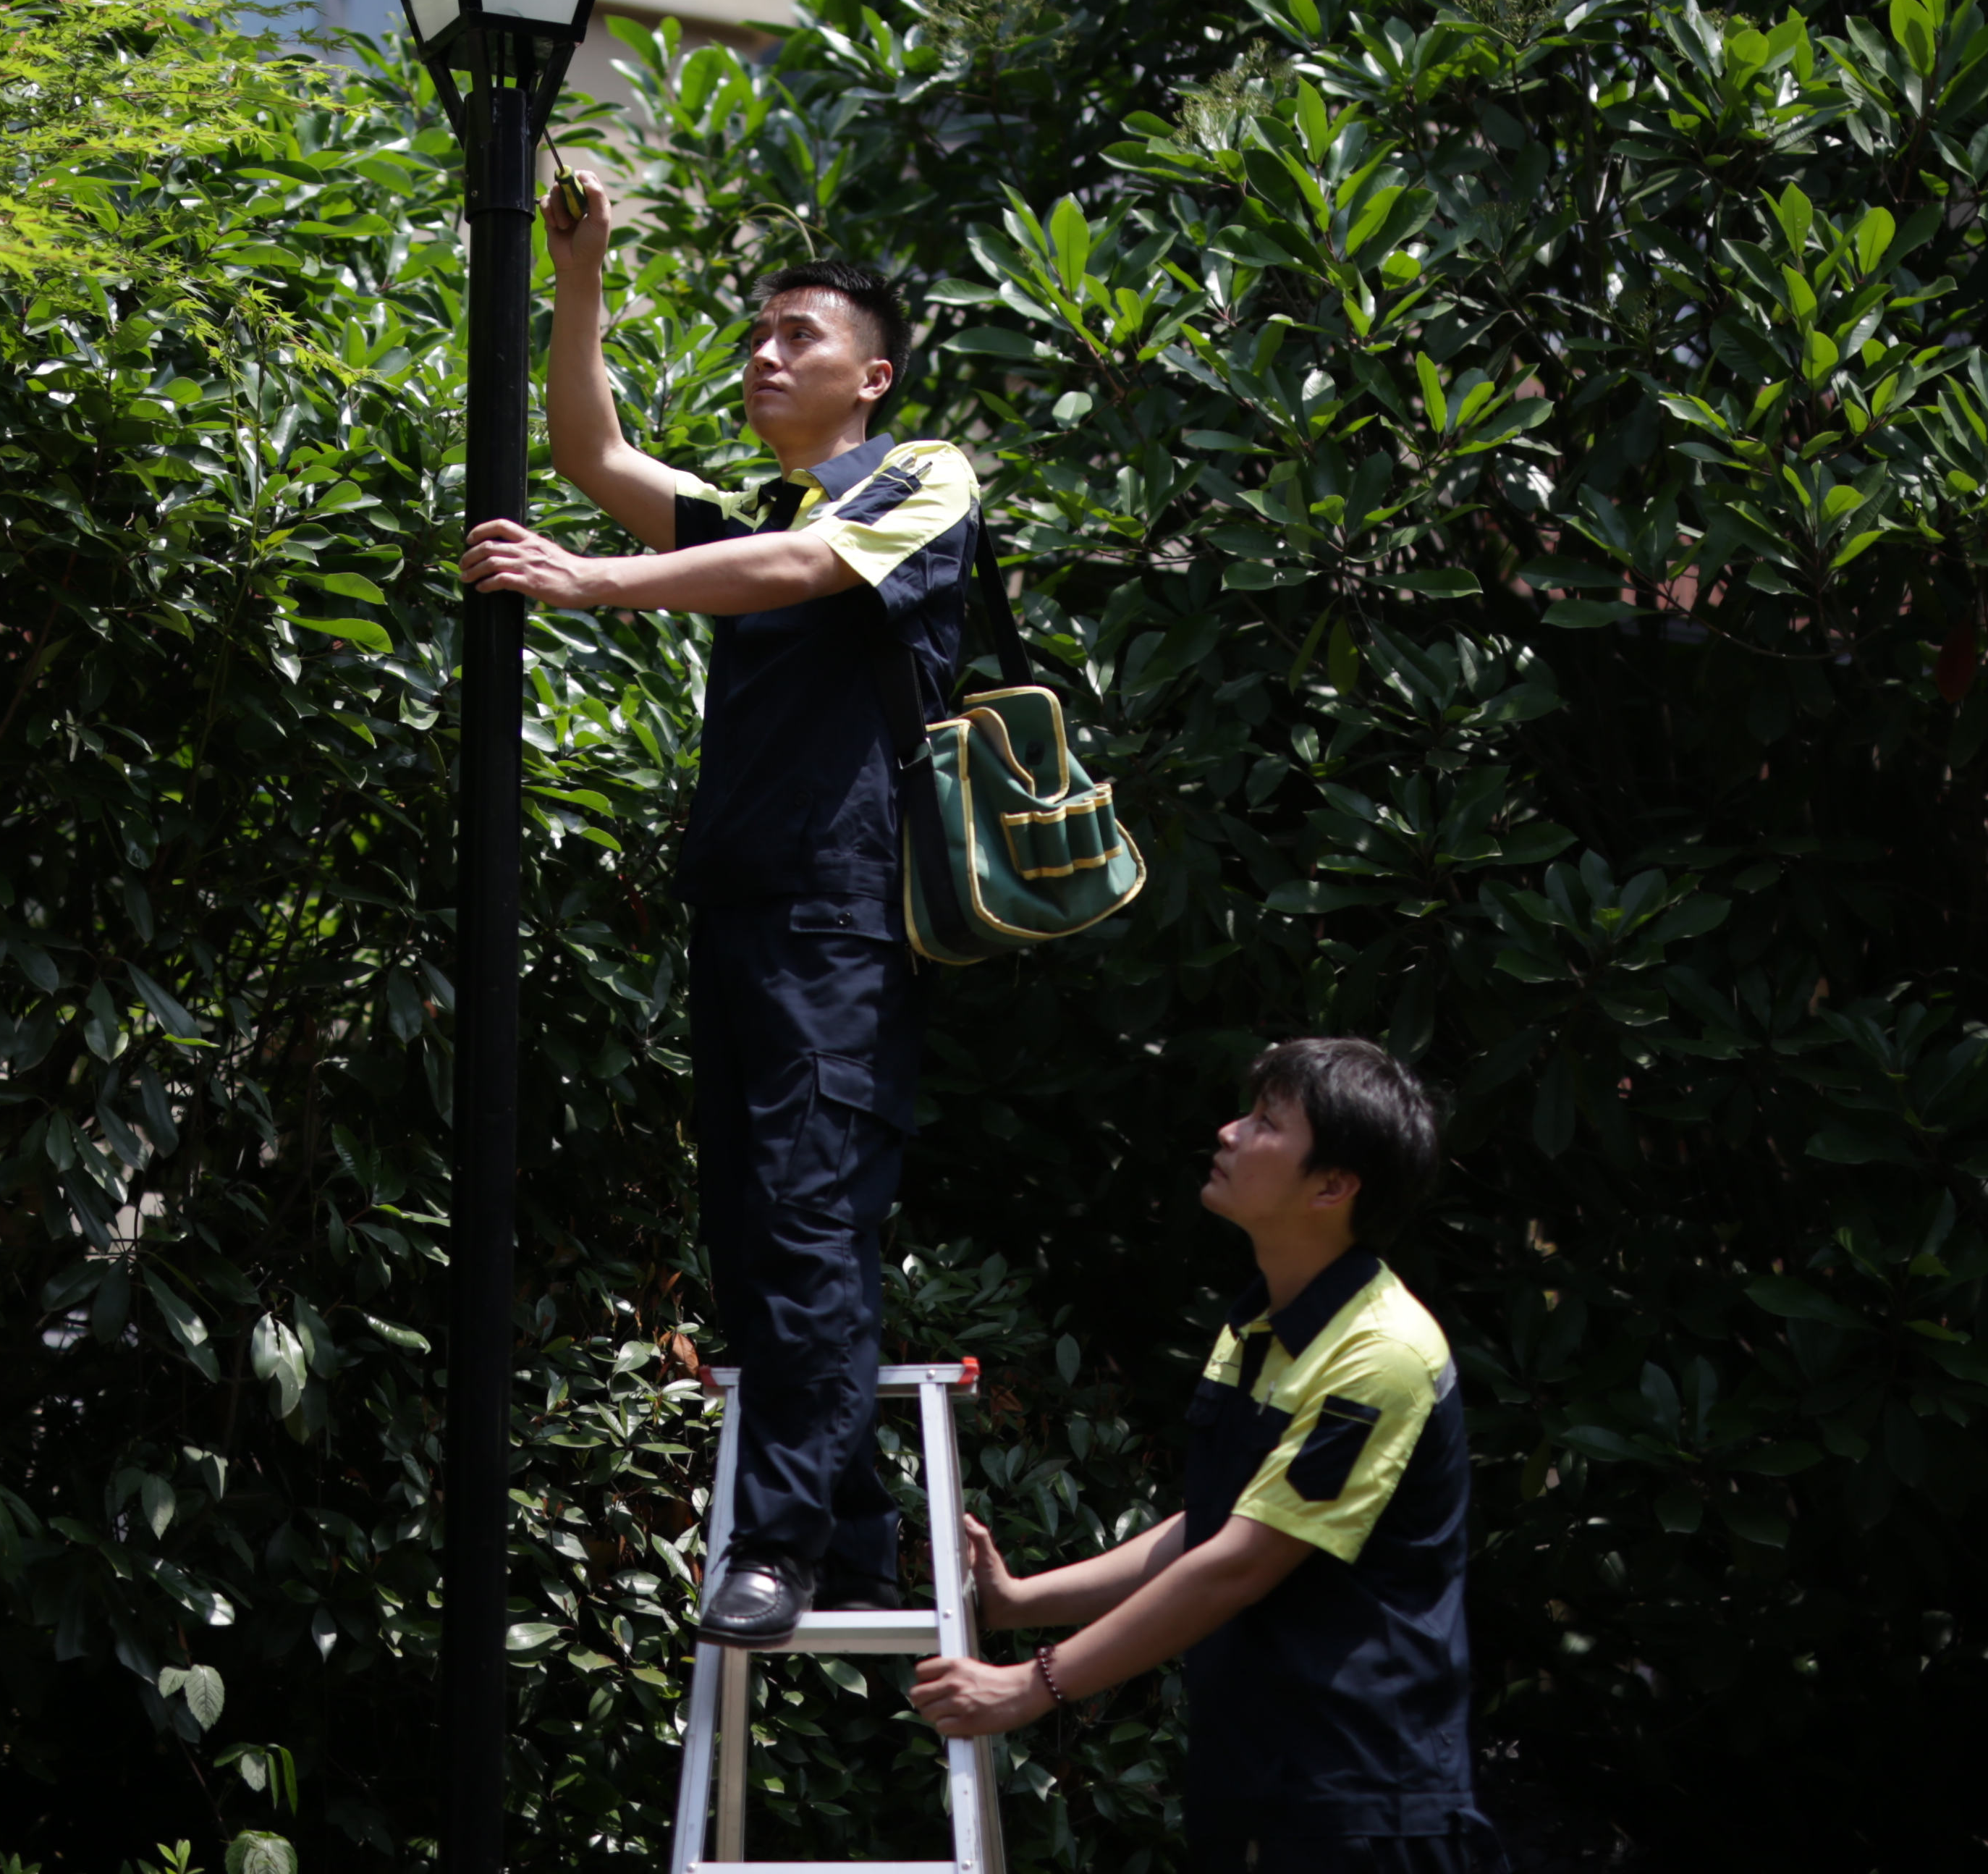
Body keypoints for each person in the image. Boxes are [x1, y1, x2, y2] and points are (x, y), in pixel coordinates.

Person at [456, 173, 978, 1649]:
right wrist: (579, 277)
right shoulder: (752, 511)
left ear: (872, 377)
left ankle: (780, 1544)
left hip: (843, 919)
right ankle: (853, 1545)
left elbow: (800, 570)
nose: (764, 354)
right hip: (744, 909)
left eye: (797, 336)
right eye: (756, 334)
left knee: (809, 1220)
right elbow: (591, 450)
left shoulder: (920, 479)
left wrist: (594, 581)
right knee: (756, 1237)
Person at [909, 1038, 1499, 1873]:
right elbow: (1219, 1524)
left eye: (1266, 1123)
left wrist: (1030, 1685)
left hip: (1365, 1803)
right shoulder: (1259, 1325)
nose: (1228, 1132)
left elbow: (1240, 1564)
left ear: (1332, 1187)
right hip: (1257, 1784)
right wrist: (1017, 1603)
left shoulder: (1383, 1353)